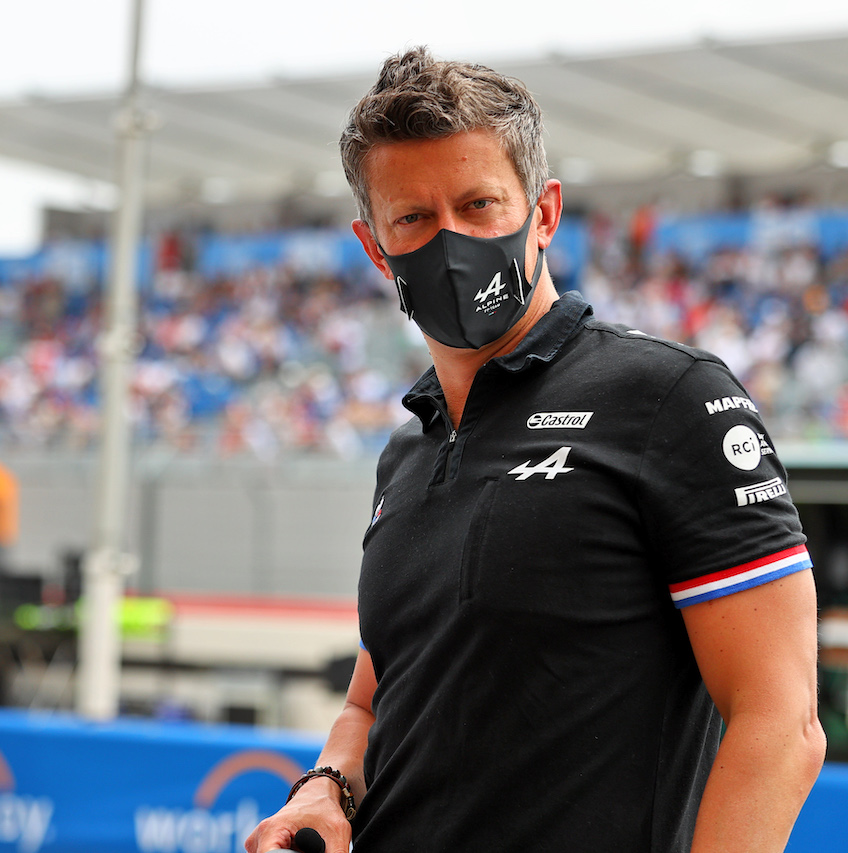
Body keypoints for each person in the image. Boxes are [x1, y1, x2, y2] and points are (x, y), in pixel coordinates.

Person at [247, 47, 824, 853]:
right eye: (412, 217)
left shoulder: (668, 399)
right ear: (375, 247)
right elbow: (371, 702)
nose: (450, 240)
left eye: (479, 204)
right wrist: (325, 785)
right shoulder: (407, 451)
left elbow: (781, 723)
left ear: (543, 213)